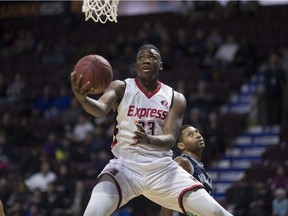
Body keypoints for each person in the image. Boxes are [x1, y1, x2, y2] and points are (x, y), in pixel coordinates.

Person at [71, 44, 233, 216]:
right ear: (136, 66)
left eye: (152, 57)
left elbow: (170, 139)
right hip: (125, 166)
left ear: (160, 65)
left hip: (161, 168)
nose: (146, 60)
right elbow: (100, 109)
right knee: (92, 213)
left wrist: (148, 140)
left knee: (217, 212)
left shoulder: (175, 98)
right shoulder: (121, 87)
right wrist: (84, 100)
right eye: (141, 57)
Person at [160, 124, 213, 216]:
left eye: (197, 132)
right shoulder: (182, 162)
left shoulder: (200, 167)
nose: (198, 135)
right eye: (190, 134)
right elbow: (166, 197)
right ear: (181, 145)